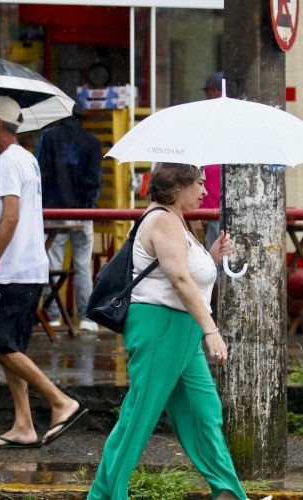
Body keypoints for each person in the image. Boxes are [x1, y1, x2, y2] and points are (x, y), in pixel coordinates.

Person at [87, 163, 246, 500]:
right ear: (177, 187)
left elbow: (186, 273)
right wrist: (211, 330)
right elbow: (179, 280)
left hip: (181, 331)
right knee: (139, 418)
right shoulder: (162, 220)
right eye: (200, 184)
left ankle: (228, 493)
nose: (205, 191)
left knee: (204, 413)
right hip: (161, 328)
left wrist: (213, 257)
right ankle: (103, 496)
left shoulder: (176, 221)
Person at [0, 95, 87, 449]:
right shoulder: (24, 160)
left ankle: (61, 401)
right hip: (27, 268)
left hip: (13, 271)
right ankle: (24, 425)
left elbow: (11, 217)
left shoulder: (9, 162)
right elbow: (5, 210)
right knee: (12, 347)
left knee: (0, 346)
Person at [36, 102, 103, 332]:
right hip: (82, 212)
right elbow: (94, 181)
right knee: (82, 265)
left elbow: (40, 172)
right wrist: (87, 203)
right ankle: (87, 317)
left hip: (54, 211)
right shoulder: (92, 143)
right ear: (81, 118)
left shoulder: (49, 138)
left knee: (53, 263)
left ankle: (54, 316)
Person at [200, 71, 224, 251]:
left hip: (214, 208)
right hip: (213, 207)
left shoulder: (213, 121)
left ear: (215, 91)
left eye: (208, 92)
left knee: (215, 257)